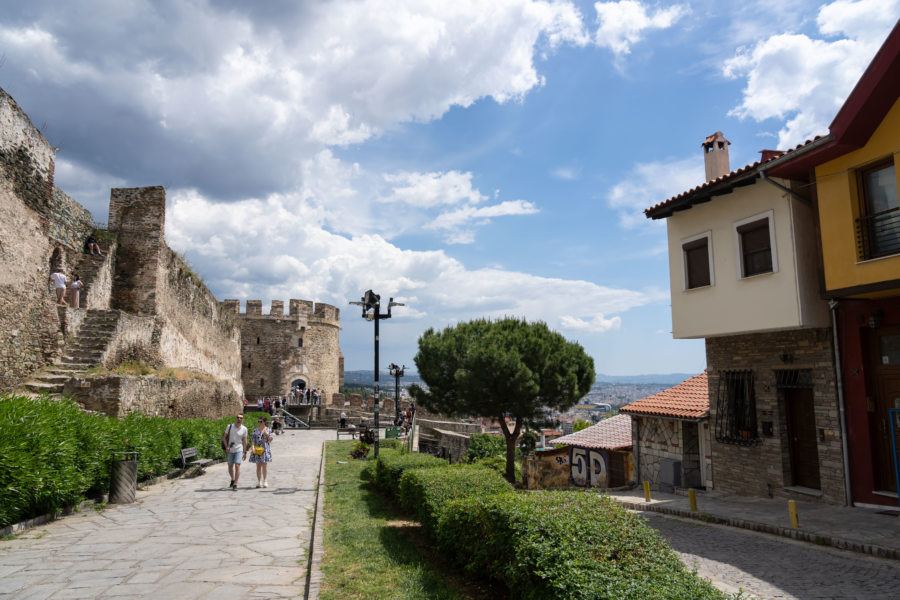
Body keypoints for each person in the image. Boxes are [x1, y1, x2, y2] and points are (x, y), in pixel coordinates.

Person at [222, 414, 248, 491]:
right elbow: (224, 437)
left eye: (241, 418)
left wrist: (245, 452)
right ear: (235, 418)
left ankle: (235, 484)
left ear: (243, 419)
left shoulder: (244, 429)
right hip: (230, 449)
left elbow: (245, 441)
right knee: (230, 466)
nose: (239, 419)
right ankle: (232, 479)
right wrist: (226, 447)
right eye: (238, 417)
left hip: (239, 449)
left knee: (237, 465)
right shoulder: (229, 426)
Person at [249, 416, 273, 488]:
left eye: (261, 421)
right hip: (257, 449)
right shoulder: (255, 430)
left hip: (265, 449)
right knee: (258, 466)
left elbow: (270, 440)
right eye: (258, 421)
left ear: (264, 422)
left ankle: (265, 481)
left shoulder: (268, 430)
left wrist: (266, 434)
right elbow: (253, 440)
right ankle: (259, 481)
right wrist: (252, 447)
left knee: (264, 465)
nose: (259, 423)